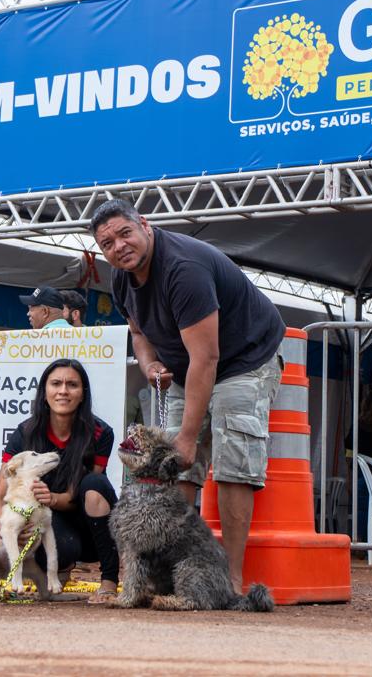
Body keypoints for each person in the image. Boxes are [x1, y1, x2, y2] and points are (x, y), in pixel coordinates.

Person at [91, 198, 284, 591]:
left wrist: (189, 437)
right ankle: (170, 572)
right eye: (107, 243)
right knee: (171, 466)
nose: (119, 246)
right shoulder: (121, 277)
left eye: (124, 233)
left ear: (144, 224)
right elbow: (140, 333)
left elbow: (207, 357)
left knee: (231, 462)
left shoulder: (184, 269)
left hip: (244, 359)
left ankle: (227, 579)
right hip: (188, 367)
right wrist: (148, 365)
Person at [0, 358, 119, 603]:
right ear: (44, 392)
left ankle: (109, 581)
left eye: (72, 385)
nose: (63, 391)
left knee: (95, 484)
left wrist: (52, 498)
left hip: (89, 523)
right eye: (56, 384)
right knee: (47, 534)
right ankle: (59, 566)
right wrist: (6, 531)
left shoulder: (100, 432)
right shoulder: (25, 433)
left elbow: (88, 491)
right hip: (52, 523)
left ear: (83, 394)